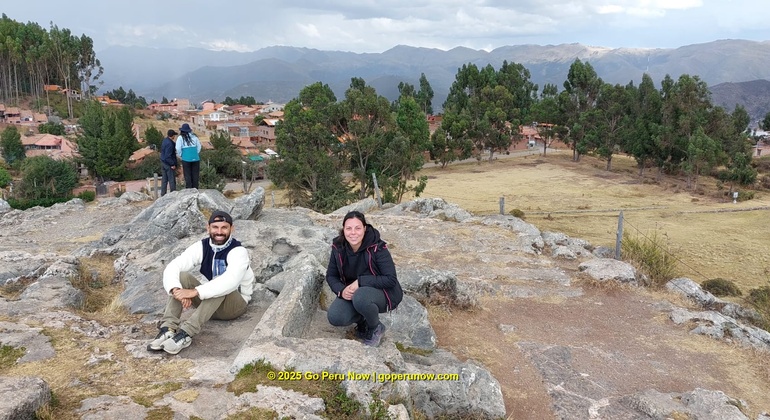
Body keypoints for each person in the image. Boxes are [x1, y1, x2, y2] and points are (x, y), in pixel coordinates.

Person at [147, 210, 255, 355]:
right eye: (215, 227)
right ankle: (168, 329)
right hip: (207, 306)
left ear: (232, 229)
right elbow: (174, 266)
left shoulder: (238, 251)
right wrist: (176, 291)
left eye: (224, 227)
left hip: (234, 305)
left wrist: (194, 292)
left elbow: (231, 280)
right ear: (208, 228)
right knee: (181, 276)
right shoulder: (202, 246)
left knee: (220, 285)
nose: (219, 232)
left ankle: (186, 333)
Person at [326, 211, 402, 347]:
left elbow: (390, 279)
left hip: (383, 293)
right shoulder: (338, 247)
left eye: (358, 228)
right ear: (343, 230)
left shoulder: (378, 248)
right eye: (348, 228)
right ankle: (363, 322)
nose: (353, 233)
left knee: (361, 296)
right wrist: (341, 291)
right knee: (335, 316)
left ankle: (375, 328)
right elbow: (331, 276)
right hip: (354, 294)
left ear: (365, 228)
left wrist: (360, 282)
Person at [176, 123, 202, 189]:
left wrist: (181, 154)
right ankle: (195, 188)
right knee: (195, 175)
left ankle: (189, 189)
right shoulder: (194, 137)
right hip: (195, 158)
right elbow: (199, 146)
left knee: (187, 175)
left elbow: (178, 148)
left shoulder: (180, 138)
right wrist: (196, 153)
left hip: (186, 158)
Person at [160, 129, 178, 196]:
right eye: (174, 135)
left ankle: (163, 194)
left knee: (164, 180)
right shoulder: (170, 144)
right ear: (173, 136)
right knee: (172, 180)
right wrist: (172, 164)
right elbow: (168, 156)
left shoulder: (165, 141)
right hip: (168, 164)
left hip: (163, 162)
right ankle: (173, 195)